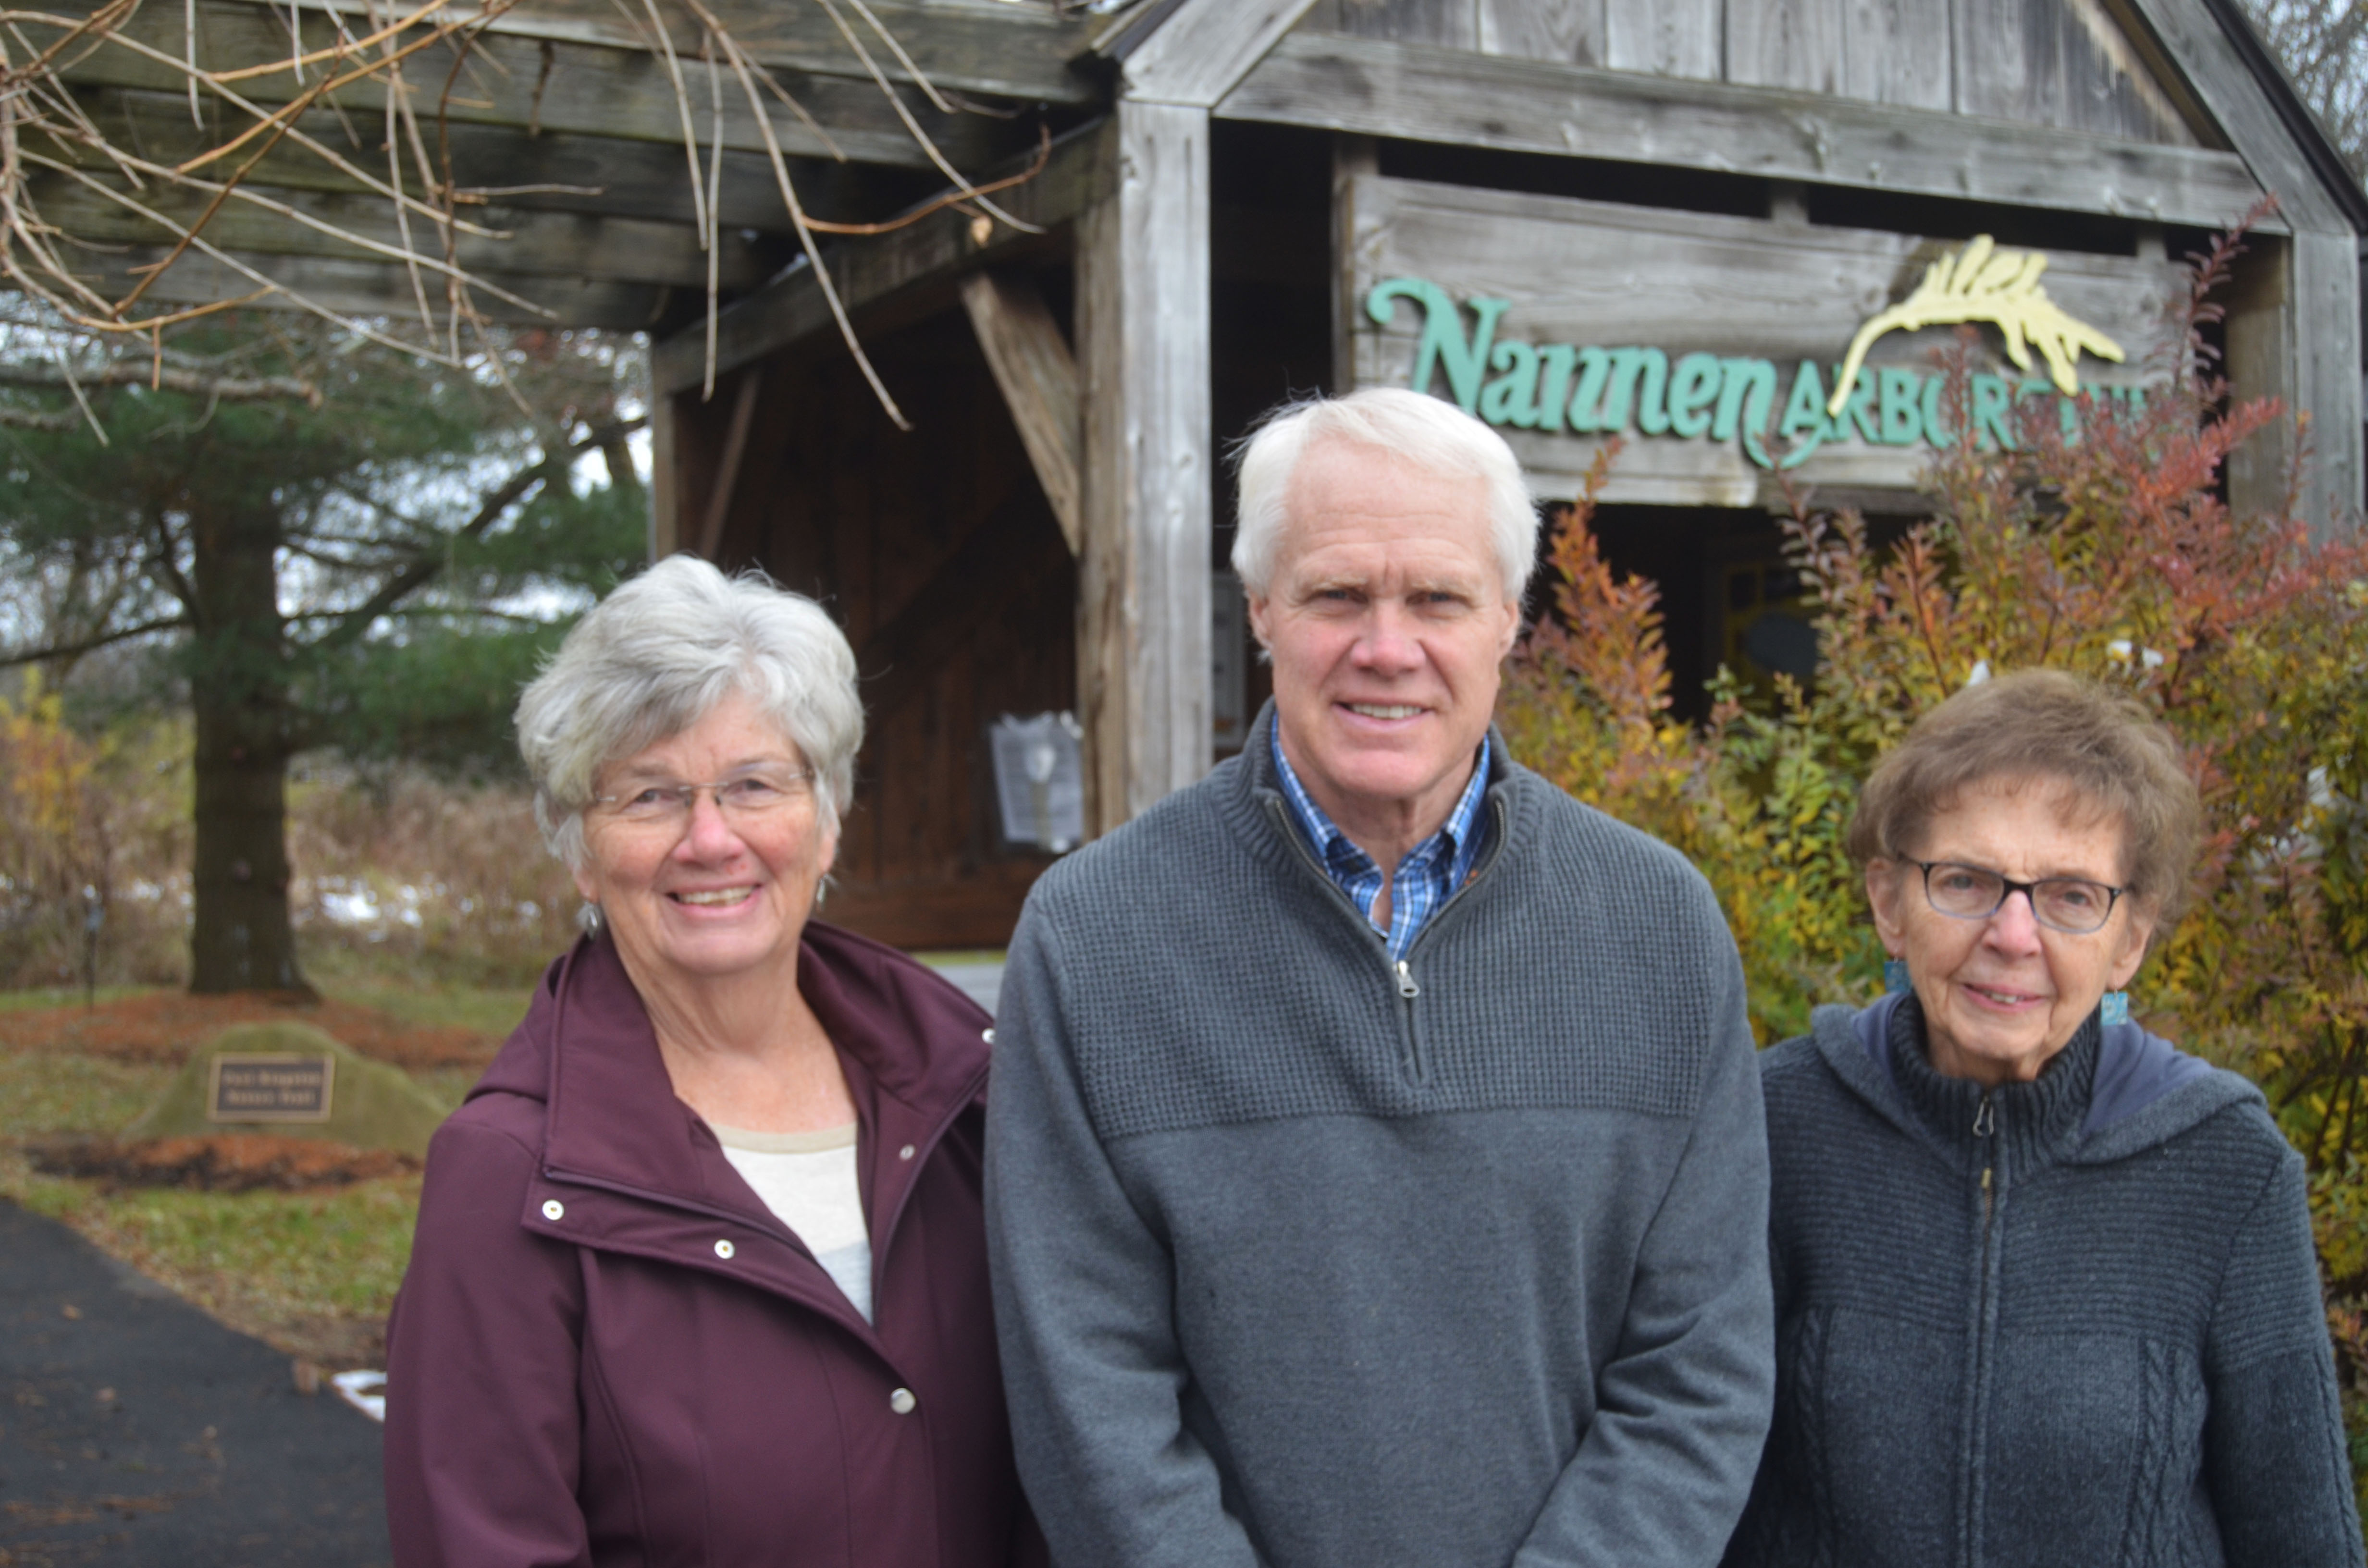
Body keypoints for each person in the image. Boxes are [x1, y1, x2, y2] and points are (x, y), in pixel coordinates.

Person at [985, 386, 1774, 1568]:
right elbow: (1086, 1392)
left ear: (1510, 617)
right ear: (1259, 608)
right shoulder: (1095, 939)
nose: (1386, 647)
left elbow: (1698, 1369)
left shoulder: (1658, 928)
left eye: (1439, 598)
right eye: (1336, 594)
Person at [383, 556, 1039, 1568]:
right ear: (579, 852)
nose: (709, 839)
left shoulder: (975, 1100)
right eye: (648, 796)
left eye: (753, 785)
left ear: (824, 823)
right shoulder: (509, 1175)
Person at [1727, 669, 2362, 1567]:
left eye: (2071, 896)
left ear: (2129, 942)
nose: (2015, 936)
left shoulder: (2227, 1168)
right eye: (1967, 880)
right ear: (1888, 902)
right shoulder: (1774, 1126)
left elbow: (2300, 1538)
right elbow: (1689, 1467)